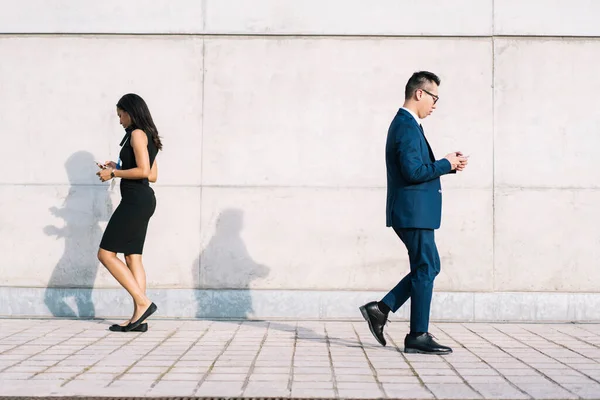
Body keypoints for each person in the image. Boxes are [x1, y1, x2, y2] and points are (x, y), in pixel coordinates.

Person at [359, 71, 468, 354]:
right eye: (434, 98)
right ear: (420, 93)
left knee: (428, 266)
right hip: (412, 212)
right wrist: (445, 163)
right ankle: (416, 334)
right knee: (426, 267)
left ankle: (381, 310)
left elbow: (417, 169)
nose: (435, 105)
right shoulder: (406, 126)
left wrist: (448, 164)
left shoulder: (409, 125)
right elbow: (413, 171)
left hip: (416, 211)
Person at [96, 93, 161, 332]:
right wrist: (118, 167)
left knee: (105, 254)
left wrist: (113, 174)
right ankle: (139, 318)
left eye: (121, 115)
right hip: (143, 199)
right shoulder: (149, 136)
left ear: (130, 112)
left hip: (135, 200)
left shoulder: (136, 134)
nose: (120, 120)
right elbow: (152, 175)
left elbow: (144, 171)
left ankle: (143, 304)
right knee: (133, 257)